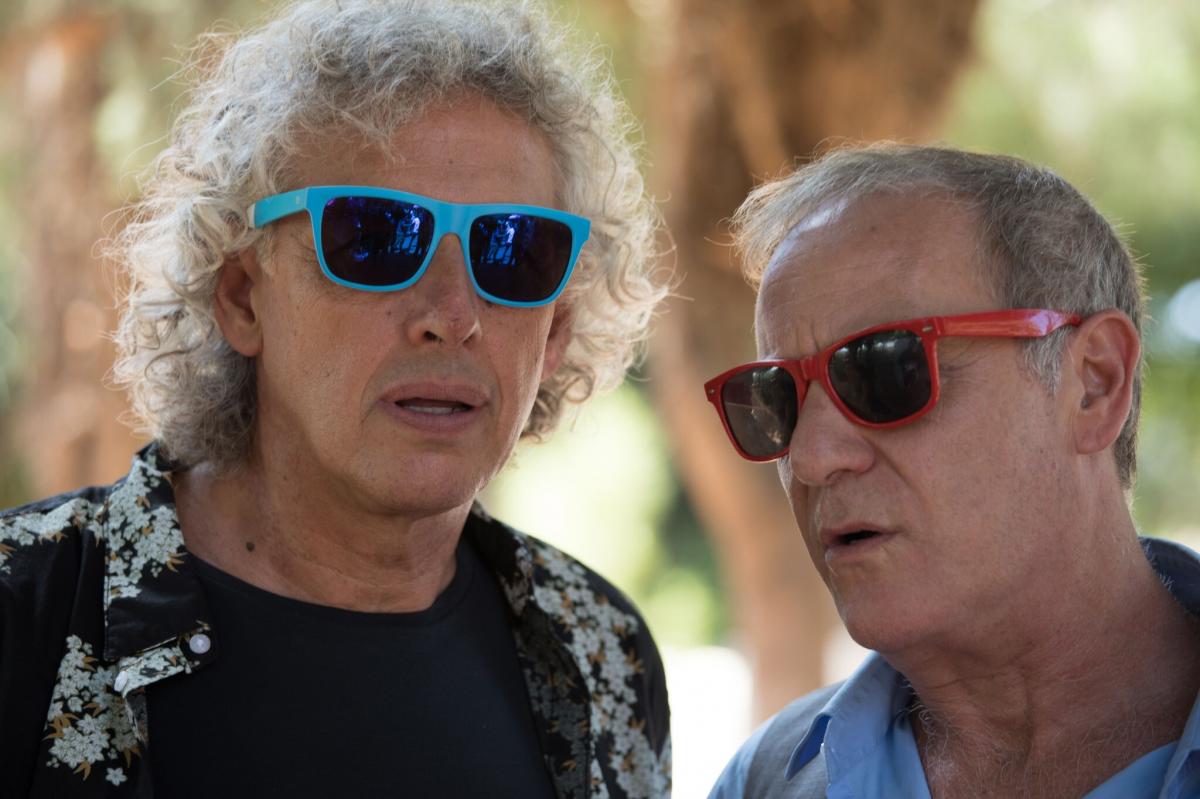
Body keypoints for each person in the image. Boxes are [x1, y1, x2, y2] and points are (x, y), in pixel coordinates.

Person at [0, 1, 671, 796]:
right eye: (376, 238)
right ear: (242, 296)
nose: (453, 315)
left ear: (554, 330)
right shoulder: (24, 609)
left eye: (514, 249)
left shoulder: (603, 652)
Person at [704, 144, 1200, 798]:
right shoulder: (763, 781)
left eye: (884, 368)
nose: (812, 457)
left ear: (1094, 384)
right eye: (776, 399)